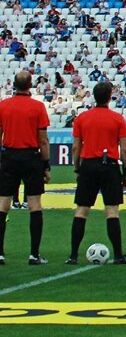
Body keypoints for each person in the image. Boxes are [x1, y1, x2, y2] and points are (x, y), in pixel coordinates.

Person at [67, 82, 126, 265]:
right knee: (112, 211)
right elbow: (125, 150)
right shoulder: (117, 119)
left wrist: (78, 168)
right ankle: (118, 255)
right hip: (109, 166)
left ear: (94, 97)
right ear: (110, 97)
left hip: (88, 165)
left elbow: (75, 147)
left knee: (82, 210)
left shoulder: (82, 118)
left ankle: (73, 255)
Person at [0, 71, 51, 265]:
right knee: (35, 205)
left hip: (9, 156)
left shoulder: (3, 106)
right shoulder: (37, 107)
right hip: (31, 157)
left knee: (3, 205)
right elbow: (43, 140)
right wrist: (46, 165)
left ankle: (0, 253)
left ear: (14, 85)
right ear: (30, 85)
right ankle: (34, 253)